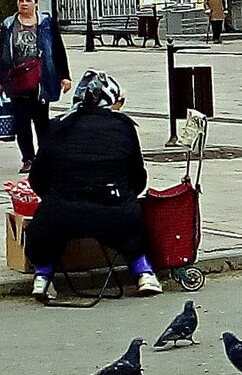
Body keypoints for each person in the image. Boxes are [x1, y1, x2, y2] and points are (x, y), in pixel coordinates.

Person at [24, 70, 161, 299]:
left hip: (63, 212)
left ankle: (42, 277)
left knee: (45, 227)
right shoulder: (123, 126)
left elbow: (37, 178)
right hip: (115, 212)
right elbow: (138, 178)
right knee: (133, 223)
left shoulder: (58, 126)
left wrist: (58, 196)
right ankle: (144, 273)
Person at [0, 0, 71, 173]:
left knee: (42, 122)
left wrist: (64, 76)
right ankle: (28, 159)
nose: (23, 3)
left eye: (27, 0)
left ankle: (45, 157)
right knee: (21, 123)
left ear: (36, 4)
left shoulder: (46, 23)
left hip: (42, 80)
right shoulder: (8, 25)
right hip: (16, 81)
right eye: (21, 0)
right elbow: (1, 54)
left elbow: (58, 50)